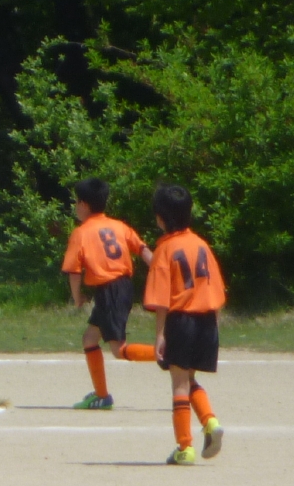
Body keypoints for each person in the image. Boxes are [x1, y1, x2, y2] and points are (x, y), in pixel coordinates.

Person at [144, 184, 226, 465]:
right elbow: (216, 290)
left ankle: (185, 447)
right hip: (206, 319)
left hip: (181, 320)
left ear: (160, 218)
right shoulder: (201, 244)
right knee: (189, 380)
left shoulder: (164, 249)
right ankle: (210, 423)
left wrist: (160, 334)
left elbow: (161, 298)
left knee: (179, 383)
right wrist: (215, 326)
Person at [61, 178, 156, 409]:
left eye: (77, 202)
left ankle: (170, 354)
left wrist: (77, 298)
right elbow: (144, 251)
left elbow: (74, 271)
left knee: (118, 350)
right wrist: (164, 273)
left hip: (111, 289)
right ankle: (102, 395)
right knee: (89, 338)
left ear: (84, 205)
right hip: (119, 287)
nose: (75, 206)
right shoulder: (119, 226)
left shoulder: (81, 233)